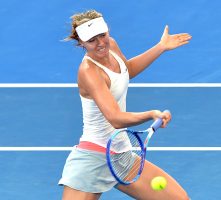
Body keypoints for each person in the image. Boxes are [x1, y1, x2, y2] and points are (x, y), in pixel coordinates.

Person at [59, 10, 192, 200]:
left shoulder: (111, 45)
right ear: (81, 43)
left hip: (121, 155)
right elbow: (115, 118)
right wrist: (150, 114)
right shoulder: (89, 71)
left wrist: (160, 47)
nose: (100, 43)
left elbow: (126, 70)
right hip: (94, 157)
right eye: (92, 40)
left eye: (102, 35)